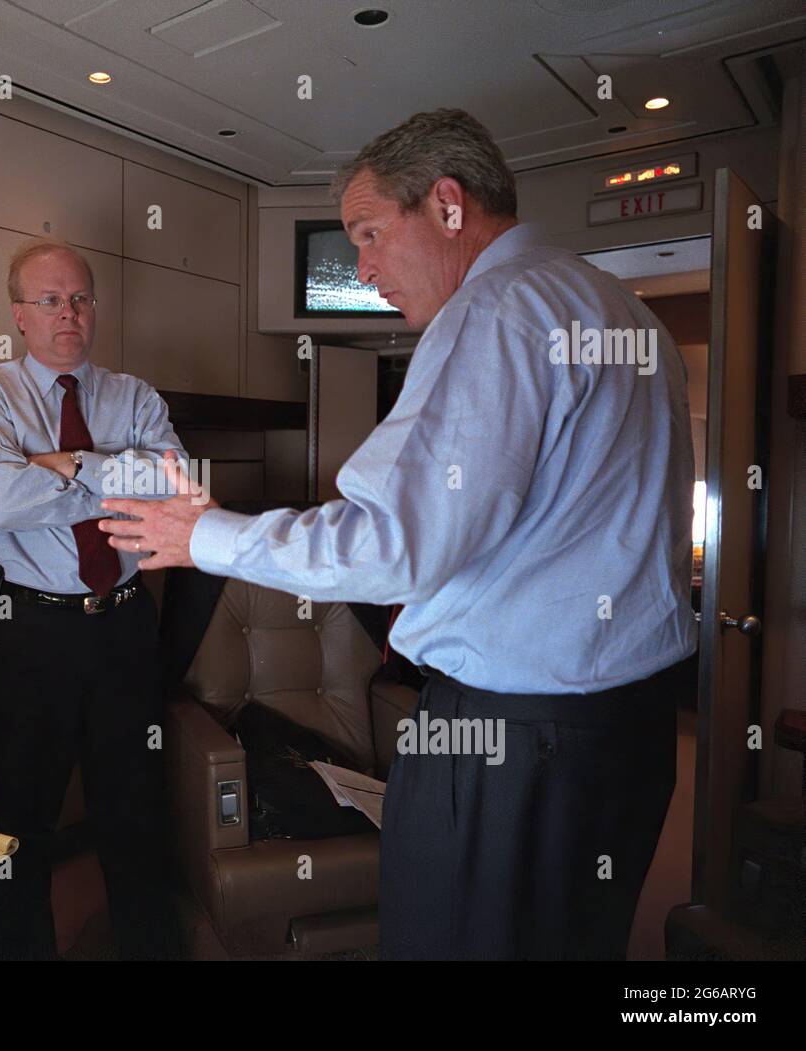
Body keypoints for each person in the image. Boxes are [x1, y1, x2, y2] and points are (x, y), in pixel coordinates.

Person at [97, 109, 697, 960]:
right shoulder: (622, 311)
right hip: (626, 734)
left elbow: (395, 543)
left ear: (447, 205)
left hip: (516, 745)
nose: (364, 267)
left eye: (370, 233)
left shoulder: (497, 310)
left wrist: (208, 537)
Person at [0, 239, 185, 959]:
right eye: (49, 300)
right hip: (22, 636)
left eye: (80, 297)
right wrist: (121, 471)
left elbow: (177, 482)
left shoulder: (135, 396)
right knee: (20, 830)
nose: (68, 313)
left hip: (121, 631)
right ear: (19, 314)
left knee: (134, 819)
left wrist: (71, 461)